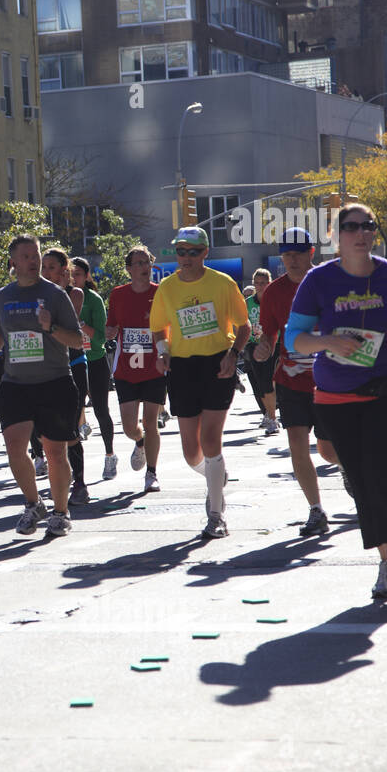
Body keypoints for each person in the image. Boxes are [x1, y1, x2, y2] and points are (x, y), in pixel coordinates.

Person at [286, 203, 387, 601]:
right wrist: (328, 342)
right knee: (364, 481)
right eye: (351, 227)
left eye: (368, 225)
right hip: (336, 398)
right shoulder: (319, 281)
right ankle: (385, 563)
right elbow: (293, 337)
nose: (361, 233)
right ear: (337, 236)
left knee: (382, 473)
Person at [150, 226, 251, 539]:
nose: (187, 258)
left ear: (205, 252)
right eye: (181, 251)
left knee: (210, 439)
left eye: (193, 252)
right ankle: (215, 475)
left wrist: (233, 355)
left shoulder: (222, 284)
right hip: (182, 368)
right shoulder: (166, 288)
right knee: (190, 452)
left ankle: (216, 514)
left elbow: (244, 326)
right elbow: (158, 329)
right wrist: (163, 353)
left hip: (217, 364)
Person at [0, 235, 84, 537]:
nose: (33, 260)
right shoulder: (2, 296)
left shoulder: (54, 294)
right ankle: (33, 504)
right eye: (26, 256)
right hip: (16, 383)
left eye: (36, 254)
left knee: (54, 452)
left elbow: (78, 339)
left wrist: (50, 327)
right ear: (13, 262)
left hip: (53, 380)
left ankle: (61, 511)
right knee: (15, 447)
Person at [253, 228, 341, 536]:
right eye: (286, 254)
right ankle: (316, 510)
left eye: (298, 254)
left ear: (311, 253)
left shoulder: (330, 284)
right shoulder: (274, 292)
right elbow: (269, 334)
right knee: (297, 446)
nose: (291, 260)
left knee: (329, 451)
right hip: (290, 380)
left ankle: (348, 469)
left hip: (329, 380)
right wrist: (264, 348)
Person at [105, 245, 165, 493]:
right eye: (138, 263)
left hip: (154, 366)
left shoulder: (161, 293)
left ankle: (151, 473)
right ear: (129, 269)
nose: (144, 268)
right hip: (127, 368)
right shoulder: (118, 294)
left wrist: (166, 352)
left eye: (147, 263)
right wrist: (109, 332)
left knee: (151, 421)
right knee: (130, 426)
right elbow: (111, 326)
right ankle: (139, 442)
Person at [41, 248, 89, 502]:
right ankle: (59, 478)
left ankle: (80, 484)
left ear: (64, 270)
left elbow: (72, 325)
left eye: (51, 267)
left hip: (72, 365)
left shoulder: (73, 294)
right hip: (40, 369)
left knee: (69, 429)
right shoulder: (32, 295)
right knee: (46, 434)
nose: (46, 272)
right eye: (43, 267)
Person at [70, 257, 117, 480]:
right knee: (68, 416)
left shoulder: (94, 299)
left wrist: (80, 324)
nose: (73, 277)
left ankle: (110, 455)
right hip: (71, 362)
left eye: (78, 273)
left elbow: (100, 338)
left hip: (95, 360)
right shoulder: (62, 298)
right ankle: (73, 470)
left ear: (87, 276)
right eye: (70, 273)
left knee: (100, 410)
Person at [245, 268, 279, 434]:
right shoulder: (248, 303)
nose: (260, 286)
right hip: (255, 345)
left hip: (274, 343)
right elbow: (243, 324)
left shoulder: (274, 301)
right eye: (257, 283)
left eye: (263, 283)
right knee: (261, 383)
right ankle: (270, 415)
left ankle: (273, 416)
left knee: (272, 381)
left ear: (270, 283)